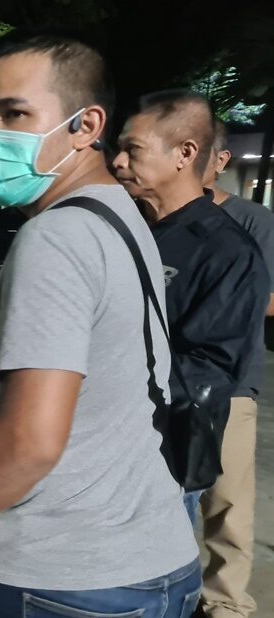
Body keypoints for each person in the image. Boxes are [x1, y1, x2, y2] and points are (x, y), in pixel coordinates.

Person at [0, 36, 200, 616]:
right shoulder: (120, 215)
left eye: (14, 114)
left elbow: (29, 440)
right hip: (161, 561)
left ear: (85, 126)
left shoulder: (57, 236)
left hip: (69, 578)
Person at [114, 91, 269, 527]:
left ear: (184, 154)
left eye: (133, 150)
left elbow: (210, 369)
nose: (118, 162)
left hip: (161, 453)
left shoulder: (226, 251)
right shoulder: (129, 230)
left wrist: (108, 383)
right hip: (103, 444)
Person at [197, 119, 274, 617]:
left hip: (229, 385)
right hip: (155, 381)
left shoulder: (251, 220)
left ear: (221, 160)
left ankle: (225, 605)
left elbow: (269, 300)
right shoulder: (150, 217)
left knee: (226, 505)